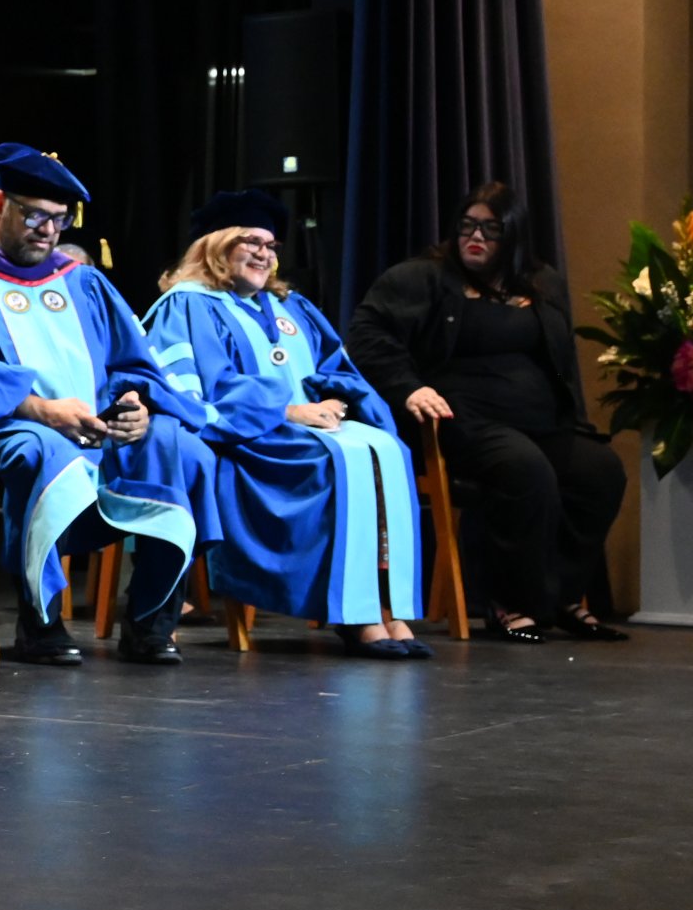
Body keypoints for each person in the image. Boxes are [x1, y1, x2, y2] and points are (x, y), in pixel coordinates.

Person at [0, 146, 219, 668]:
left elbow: (132, 362)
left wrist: (134, 404)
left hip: (96, 428)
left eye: (60, 220)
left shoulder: (81, 280)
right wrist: (41, 409)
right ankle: (40, 623)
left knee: (182, 448)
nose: (48, 231)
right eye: (35, 216)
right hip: (10, 428)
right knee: (40, 450)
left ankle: (151, 621)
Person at [143, 192, 425, 660]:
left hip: (307, 430)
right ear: (216, 245)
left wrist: (339, 399)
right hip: (244, 442)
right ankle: (355, 615)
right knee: (341, 458)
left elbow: (336, 367)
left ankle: (384, 605)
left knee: (383, 448)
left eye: (271, 246)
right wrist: (286, 413)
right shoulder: (188, 305)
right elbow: (192, 394)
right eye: (251, 242)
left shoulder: (291, 306)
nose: (264, 254)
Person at [346, 182, 628, 643]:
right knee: (525, 470)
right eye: (468, 226)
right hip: (461, 420)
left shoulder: (541, 283)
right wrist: (410, 388)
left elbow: (560, 361)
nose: (475, 237)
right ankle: (509, 603)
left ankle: (560, 595)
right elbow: (367, 336)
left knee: (600, 473)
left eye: (491, 229)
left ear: (513, 236)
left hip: (542, 421)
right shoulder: (422, 278)